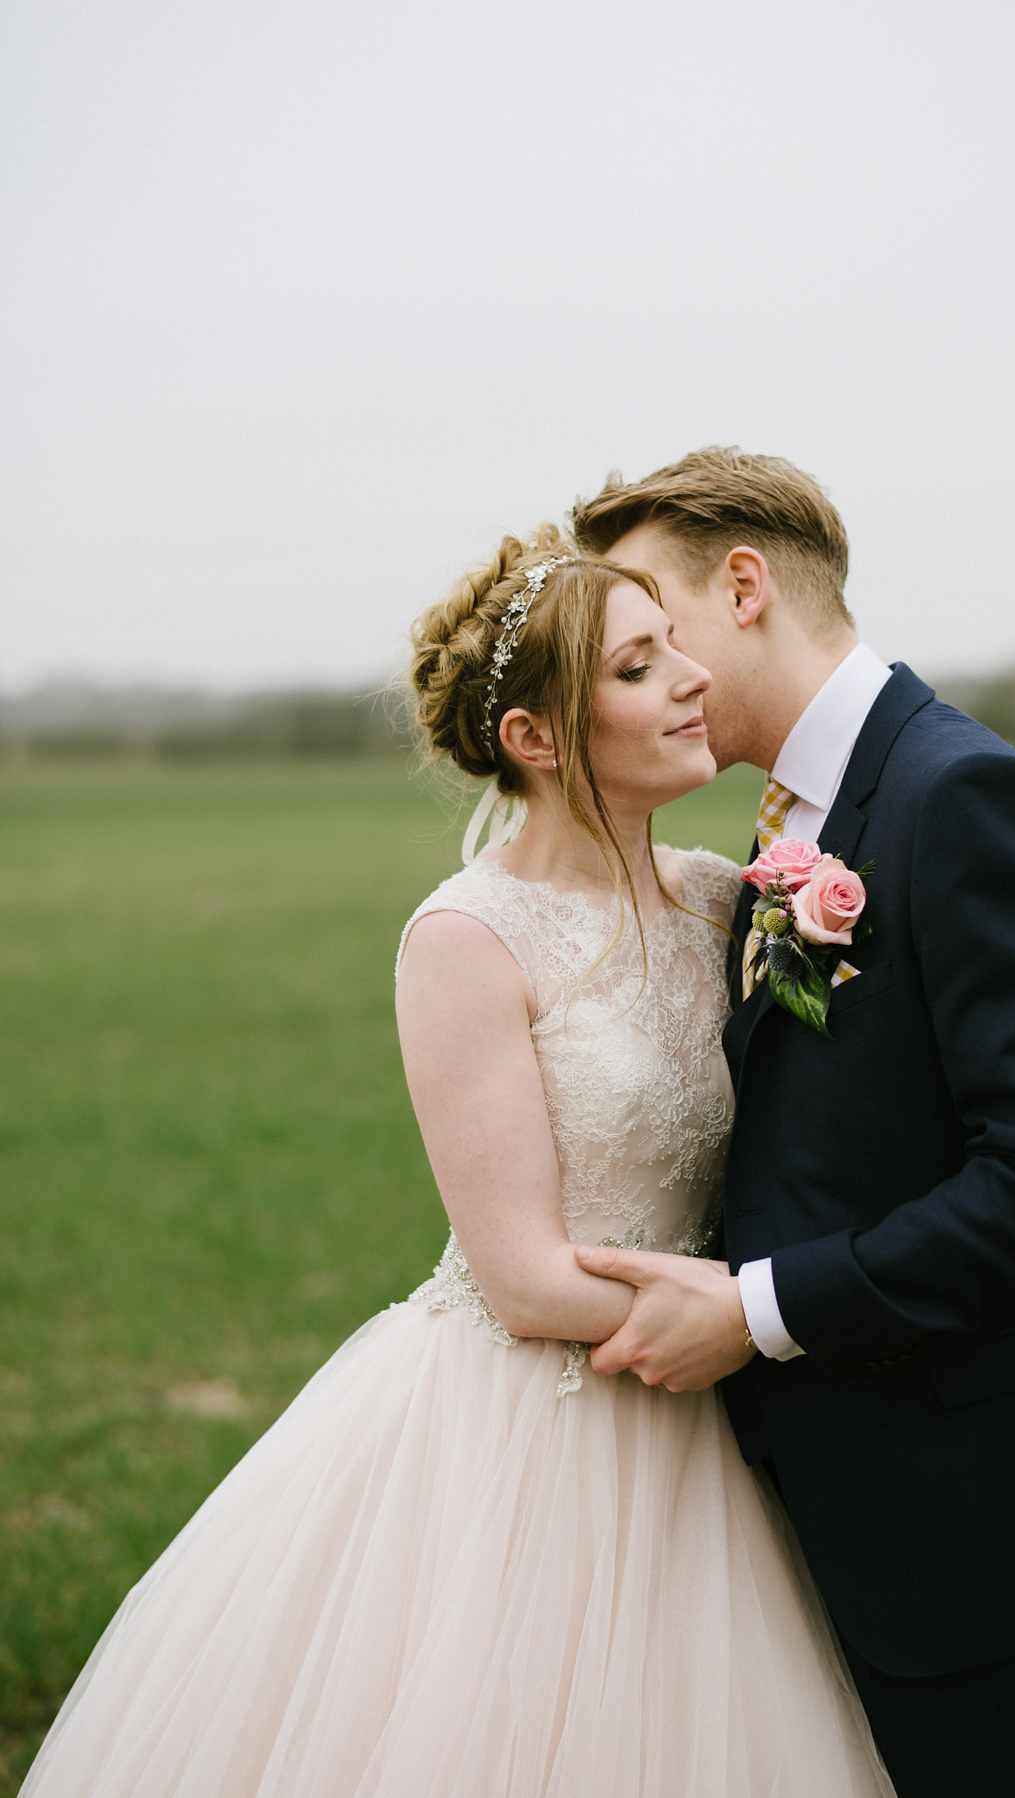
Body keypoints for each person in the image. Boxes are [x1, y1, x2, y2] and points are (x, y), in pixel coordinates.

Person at [21, 533, 900, 1797]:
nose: (692, 681)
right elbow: (528, 1279)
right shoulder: (466, 938)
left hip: (712, 1413)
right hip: (528, 1425)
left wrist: (999, 1252)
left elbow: (844, 1120)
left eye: (674, 653)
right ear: (540, 739)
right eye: (642, 669)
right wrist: (756, 1319)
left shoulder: (731, 902)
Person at [570, 447, 1015, 1798]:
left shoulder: (959, 794)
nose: (657, 673)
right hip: (818, 1505)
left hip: (974, 1537)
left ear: (743, 587)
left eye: (663, 630)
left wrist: (759, 1307)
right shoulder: (796, 820)